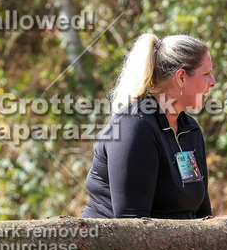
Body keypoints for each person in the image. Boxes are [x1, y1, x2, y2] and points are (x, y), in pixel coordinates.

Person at [81, 33, 216, 219]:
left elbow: (202, 214)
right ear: (182, 77)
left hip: (170, 243)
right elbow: (131, 224)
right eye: (206, 74)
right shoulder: (135, 126)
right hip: (116, 244)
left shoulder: (190, 129)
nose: (213, 82)